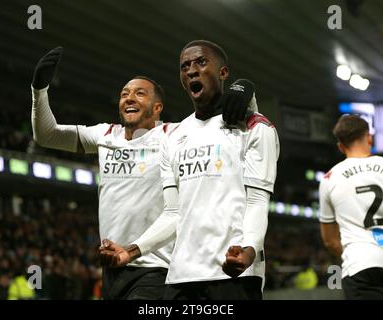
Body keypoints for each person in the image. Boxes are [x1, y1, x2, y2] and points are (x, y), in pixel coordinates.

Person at [30, 46, 254, 299]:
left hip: (156, 266)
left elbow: (227, 122)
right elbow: (46, 135)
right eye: (124, 94)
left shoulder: (175, 135)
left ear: (157, 108)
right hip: (113, 265)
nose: (129, 98)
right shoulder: (104, 135)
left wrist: (244, 90)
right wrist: (39, 90)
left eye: (139, 93)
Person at [100, 40, 279, 300]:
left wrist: (249, 249)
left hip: (233, 274)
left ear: (223, 72)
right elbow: (173, 213)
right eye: (185, 66)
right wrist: (131, 251)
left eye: (201, 62)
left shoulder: (255, 127)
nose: (192, 70)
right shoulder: (174, 137)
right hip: (180, 277)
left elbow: (257, 201)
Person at [319, 114, 383, 300]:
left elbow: (330, 241)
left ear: (340, 146)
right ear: (369, 137)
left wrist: (356, 254)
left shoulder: (330, 178)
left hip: (360, 264)